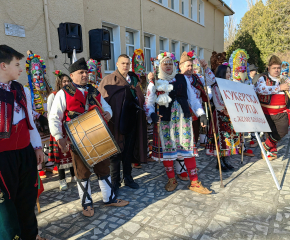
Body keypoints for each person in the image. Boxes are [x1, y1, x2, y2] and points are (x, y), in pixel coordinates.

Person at [49, 58, 129, 217]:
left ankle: (109, 198)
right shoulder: (63, 93)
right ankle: (86, 204)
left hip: (97, 135)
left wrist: (108, 113)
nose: (85, 75)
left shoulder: (93, 91)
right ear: (72, 75)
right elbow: (54, 117)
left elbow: (106, 108)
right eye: (81, 72)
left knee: (103, 168)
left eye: (86, 72)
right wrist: (59, 137)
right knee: (82, 172)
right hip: (77, 139)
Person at [146, 51, 211, 194]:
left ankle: (194, 181)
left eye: (170, 63)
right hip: (165, 120)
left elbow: (192, 99)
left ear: (174, 65)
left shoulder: (182, 78)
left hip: (183, 118)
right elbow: (149, 102)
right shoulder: (154, 81)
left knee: (188, 150)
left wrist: (201, 114)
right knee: (167, 150)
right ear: (160, 65)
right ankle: (171, 179)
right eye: (165, 63)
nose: (168, 66)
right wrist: (151, 114)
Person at [0, 45, 46, 240]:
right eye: (17, 64)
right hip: (3, 157)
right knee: (6, 204)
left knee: (27, 197)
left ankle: (31, 235)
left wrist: (37, 146)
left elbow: (29, 121)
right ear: (3, 66)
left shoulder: (21, 90)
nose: (21, 69)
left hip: (25, 152)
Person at [98, 54, 147, 194]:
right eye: (123, 63)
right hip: (115, 122)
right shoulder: (108, 80)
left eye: (127, 63)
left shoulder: (133, 79)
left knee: (128, 150)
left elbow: (140, 96)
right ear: (117, 64)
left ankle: (128, 177)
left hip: (131, 120)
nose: (125, 66)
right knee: (115, 152)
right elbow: (101, 101)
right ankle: (115, 182)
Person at [254, 55, 290, 160]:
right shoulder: (263, 78)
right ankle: (271, 152)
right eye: (274, 68)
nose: (277, 70)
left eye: (278, 68)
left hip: (281, 111)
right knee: (270, 132)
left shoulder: (284, 79)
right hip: (267, 112)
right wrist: (279, 88)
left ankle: (265, 145)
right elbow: (260, 89)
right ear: (269, 68)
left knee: (283, 131)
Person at [25, 50, 54, 179]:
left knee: (49, 144)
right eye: (35, 73)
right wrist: (38, 116)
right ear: (31, 74)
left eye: (40, 73)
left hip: (48, 120)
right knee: (38, 144)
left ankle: (50, 164)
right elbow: (26, 107)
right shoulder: (27, 88)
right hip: (37, 122)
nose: (38, 76)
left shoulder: (48, 88)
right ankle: (39, 167)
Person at [206, 63, 237, 171]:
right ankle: (219, 162)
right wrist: (227, 109)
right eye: (227, 72)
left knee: (228, 139)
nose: (229, 74)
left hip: (229, 115)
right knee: (220, 139)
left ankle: (225, 160)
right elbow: (218, 102)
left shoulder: (230, 85)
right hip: (220, 115)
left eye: (229, 72)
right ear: (221, 73)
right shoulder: (216, 86)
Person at [47, 70, 75, 191]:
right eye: (64, 81)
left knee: (72, 153)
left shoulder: (72, 94)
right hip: (58, 129)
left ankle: (74, 176)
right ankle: (62, 179)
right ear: (60, 82)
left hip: (69, 127)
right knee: (61, 156)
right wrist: (56, 132)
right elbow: (50, 115)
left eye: (68, 81)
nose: (67, 83)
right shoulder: (53, 96)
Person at [229, 49, 255, 157]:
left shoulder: (247, 79)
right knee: (235, 128)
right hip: (234, 106)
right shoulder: (232, 79)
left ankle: (242, 147)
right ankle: (237, 147)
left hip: (243, 106)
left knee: (242, 128)